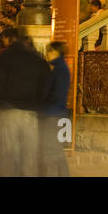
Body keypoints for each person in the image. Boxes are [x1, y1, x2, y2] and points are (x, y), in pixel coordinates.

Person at [0, 28, 48, 176]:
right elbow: (45, 88)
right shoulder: (39, 61)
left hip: (8, 112)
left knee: (8, 155)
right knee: (29, 155)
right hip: (30, 114)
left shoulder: (4, 57)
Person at [40, 42, 71, 177]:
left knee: (50, 151)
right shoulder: (61, 67)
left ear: (54, 52)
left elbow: (51, 92)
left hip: (52, 114)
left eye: (49, 52)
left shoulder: (58, 69)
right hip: (59, 113)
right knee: (57, 151)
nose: (47, 55)